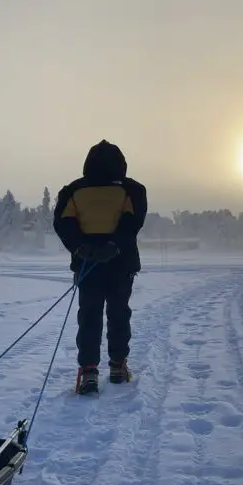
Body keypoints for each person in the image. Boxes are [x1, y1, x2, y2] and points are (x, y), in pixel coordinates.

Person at [53, 140, 147, 394]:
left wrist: (80, 247)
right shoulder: (133, 190)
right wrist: (114, 246)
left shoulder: (73, 190)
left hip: (88, 265)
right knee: (119, 314)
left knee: (89, 316)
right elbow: (133, 221)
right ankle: (117, 366)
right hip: (121, 265)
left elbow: (63, 223)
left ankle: (89, 372)